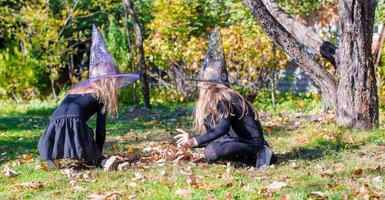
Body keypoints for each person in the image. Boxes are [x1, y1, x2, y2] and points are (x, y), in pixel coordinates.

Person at [38, 25, 140, 169]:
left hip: (53, 124)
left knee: (72, 130)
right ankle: (102, 162)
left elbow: (63, 114)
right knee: (85, 137)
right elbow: (100, 130)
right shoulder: (102, 95)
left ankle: (50, 156)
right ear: (110, 81)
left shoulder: (79, 89)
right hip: (75, 122)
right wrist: (97, 152)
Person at [174, 28, 277, 169]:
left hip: (252, 145)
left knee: (214, 150)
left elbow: (222, 128)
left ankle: (262, 153)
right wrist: (191, 140)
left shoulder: (223, 97)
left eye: (203, 81)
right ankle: (252, 158)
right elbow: (218, 134)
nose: (200, 85)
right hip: (238, 143)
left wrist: (194, 141)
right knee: (210, 151)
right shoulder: (213, 101)